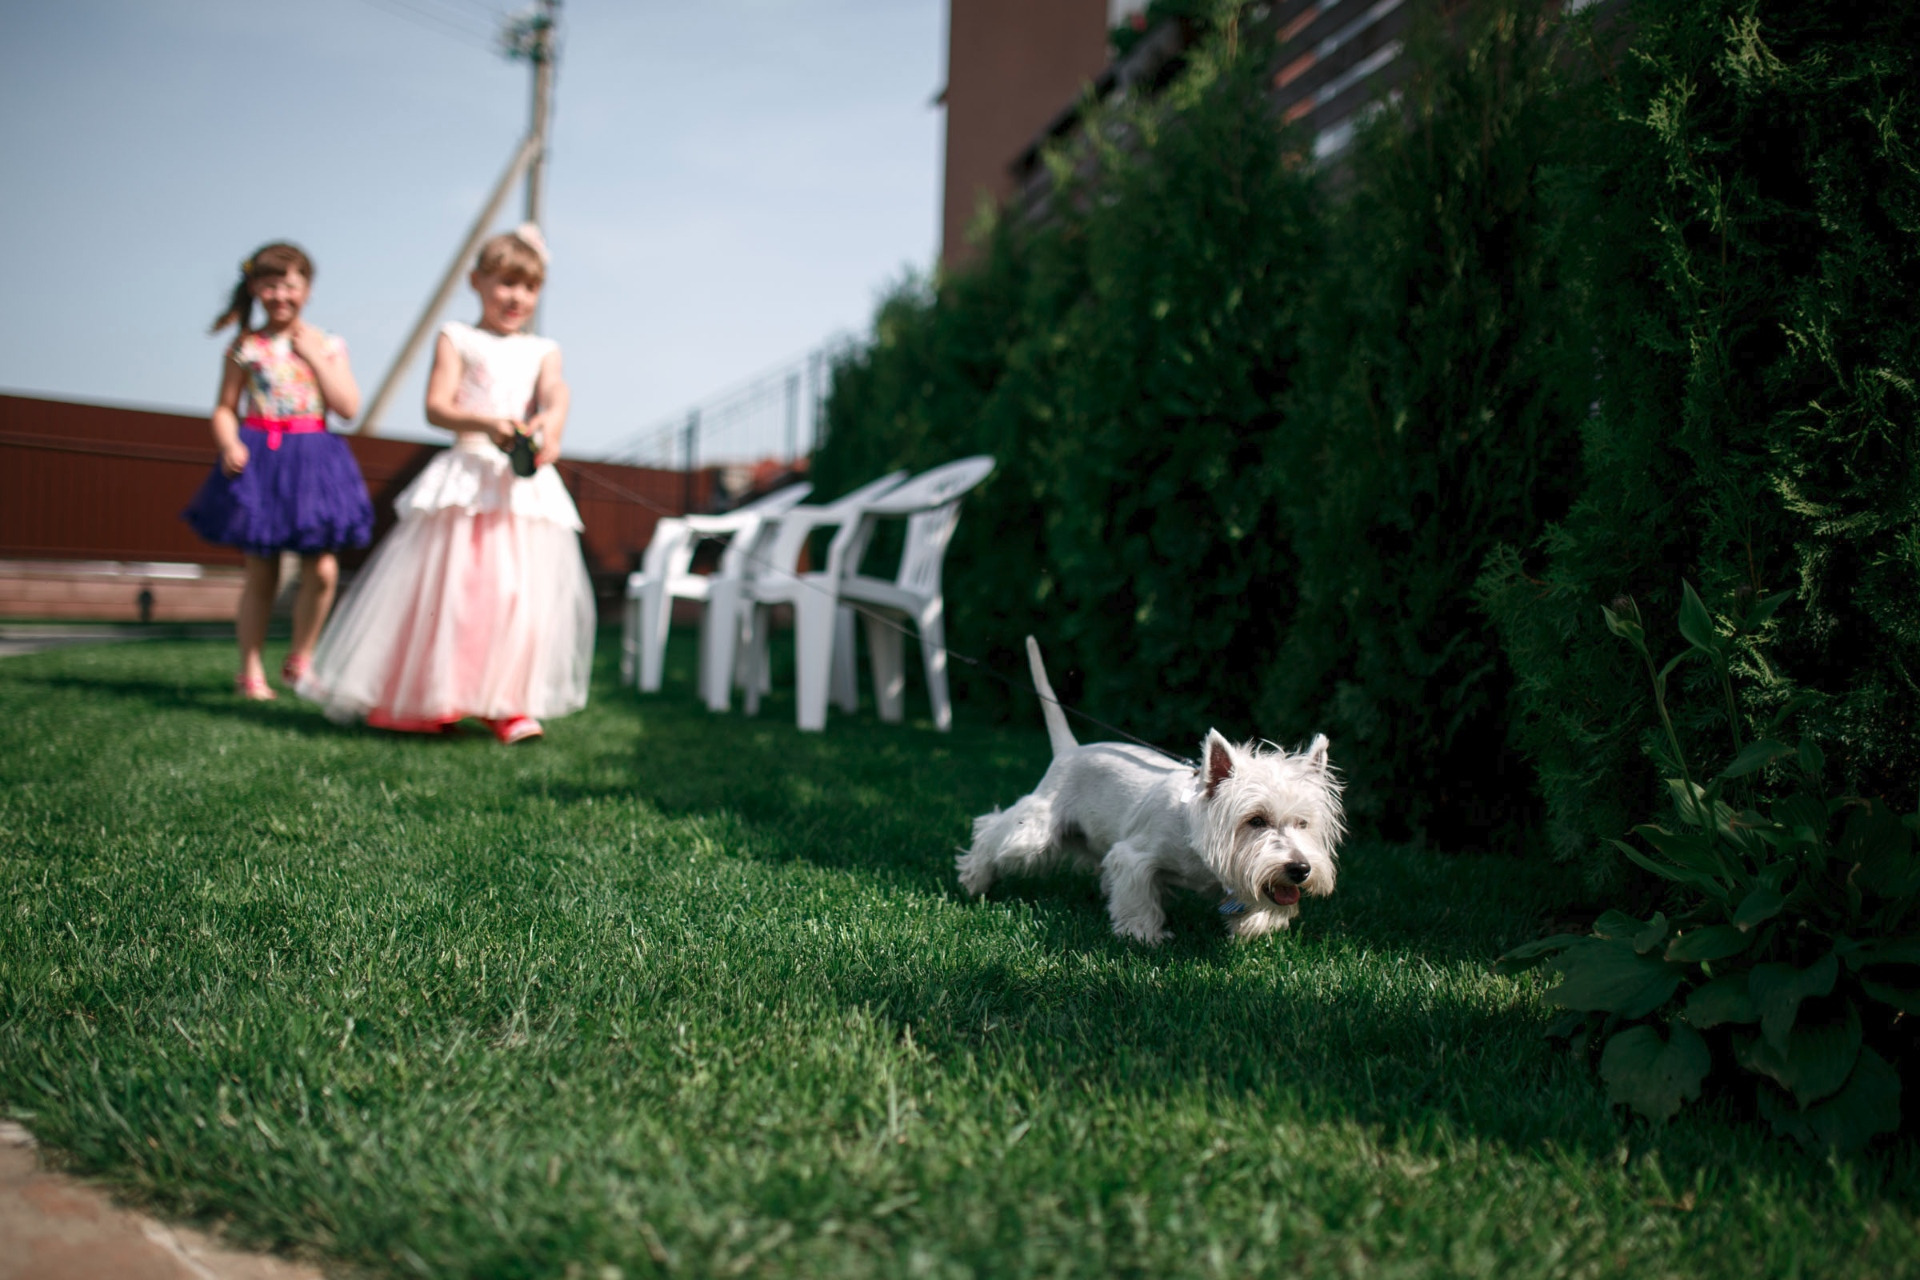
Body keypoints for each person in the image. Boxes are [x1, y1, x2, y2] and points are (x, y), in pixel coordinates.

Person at [298, 225, 594, 743]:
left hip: (519, 492)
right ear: (476, 281)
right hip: (466, 481)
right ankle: (440, 696)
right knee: (459, 594)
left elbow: (556, 393)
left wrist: (551, 426)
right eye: (505, 283)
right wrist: (486, 424)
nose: (516, 297)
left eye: (529, 287)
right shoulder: (458, 337)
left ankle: (508, 702)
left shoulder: (545, 349)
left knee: (518, 597)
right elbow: (437, 407)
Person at [184, 243, 374, 700]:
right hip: (262, 459)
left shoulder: (328, 344)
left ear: (306, 289)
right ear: (254, 288)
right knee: (261, 570)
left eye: (290, 284)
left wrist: (313, 354)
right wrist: (229, 442)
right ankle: (250, 670)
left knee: (323, 570)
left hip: (313, 461)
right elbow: (225, 408)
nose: (280, 295)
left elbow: (347, 406)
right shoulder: (245, 347)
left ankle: (300, 661)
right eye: (269, 284)